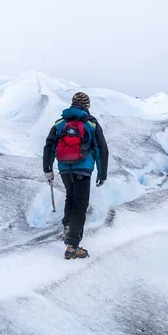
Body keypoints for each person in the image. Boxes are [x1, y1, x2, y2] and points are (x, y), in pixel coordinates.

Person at [43, 92, 108, 259]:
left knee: (70, 198)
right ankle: (73, 246)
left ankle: (68, 226)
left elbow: (49, 146)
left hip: (64, 168)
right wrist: (102, 173)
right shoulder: (91, 124)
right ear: (87, 106)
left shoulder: (60, 123)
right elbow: (101, 149)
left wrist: (47, 168)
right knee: (80, 205)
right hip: (83, 168)